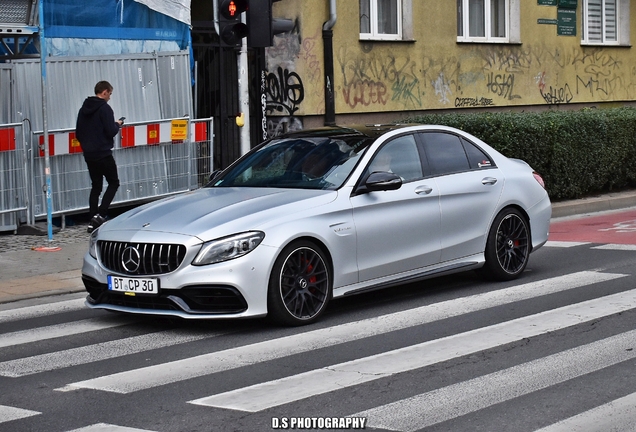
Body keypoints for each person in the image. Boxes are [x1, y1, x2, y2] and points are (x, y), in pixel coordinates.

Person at [76, 81, 123, 233]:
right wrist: (117, 124)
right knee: (114, 183)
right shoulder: (105, 108)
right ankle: (101, 214)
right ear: (104, 92)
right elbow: (110, 131)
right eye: (110, 93)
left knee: (96, 186)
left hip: (89, 154)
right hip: (103, 153)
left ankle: (92, 216)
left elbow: (78, 133)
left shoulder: (83, 109)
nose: (110, 97)